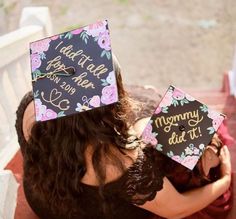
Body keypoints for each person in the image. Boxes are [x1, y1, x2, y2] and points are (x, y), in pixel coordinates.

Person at [15, 57, 232, 219]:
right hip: (91, 212)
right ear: (97, 117)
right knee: (166, 126)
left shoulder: (31, 106)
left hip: (44, 198)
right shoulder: (117, 159)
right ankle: (204, 157)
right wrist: (224, 182)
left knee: (150, 108)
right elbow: (178, 209)